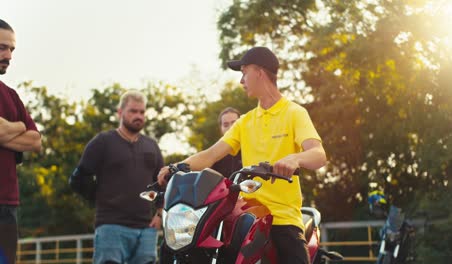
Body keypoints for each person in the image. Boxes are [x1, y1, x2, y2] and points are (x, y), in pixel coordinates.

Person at [157, 46, 326, 263]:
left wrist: (295, 159)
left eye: (244, 73)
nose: (241, 81)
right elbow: (210, 155)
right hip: (247, 213)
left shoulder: (294, 113)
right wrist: (176, 167)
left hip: (283, 217)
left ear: (259, 72)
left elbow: (318, 154)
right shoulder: (245, 121)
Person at [69, 90, 164, 264]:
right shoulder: (102, 142)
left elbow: (162, 185)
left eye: (142, 112)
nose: (138, 116)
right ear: (120, 113)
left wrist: (159, 215)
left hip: (146, 229)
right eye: (133, 111)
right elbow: (78, 179)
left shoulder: (152, 146)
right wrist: (97, 198)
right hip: (111, 227)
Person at [0, 19, 42, 264]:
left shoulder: (11, 95)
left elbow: (36, 141)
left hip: (7, 205)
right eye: (2, 48)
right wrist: (19, 127)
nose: (8, 56)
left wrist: (8, 128)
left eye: (12, 50)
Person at [210, 107, 242, 178]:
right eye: (226, 125)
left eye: (234, 123)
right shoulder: (215, 155)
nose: (230, 128)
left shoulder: (253, 148)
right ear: (221, 129)